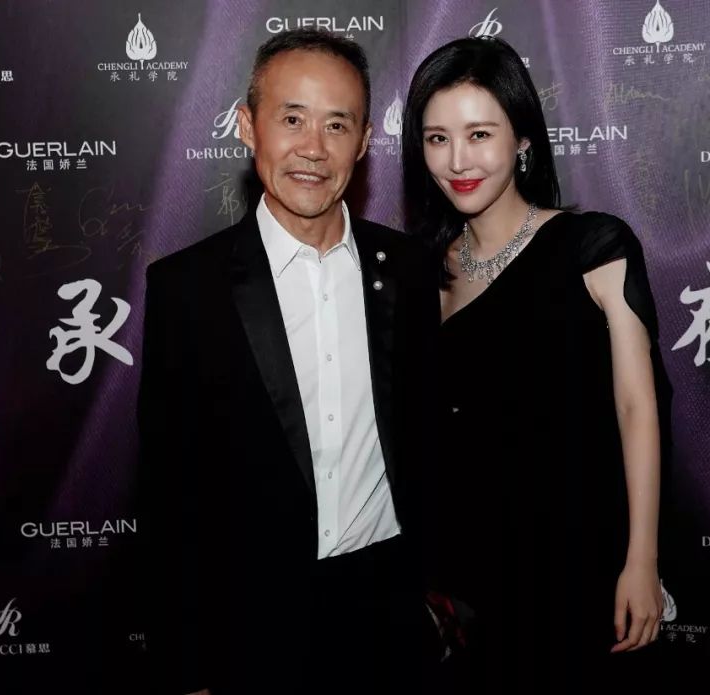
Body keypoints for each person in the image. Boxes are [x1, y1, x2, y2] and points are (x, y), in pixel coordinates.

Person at [137, 29, 441, 695]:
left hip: (389, 617)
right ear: (248, 126)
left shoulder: (410, 270)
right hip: (253, 624)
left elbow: (428, 437)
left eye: (337, 124)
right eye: (292, 118)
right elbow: (167, 488)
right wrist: (188, 665)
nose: (314, 148)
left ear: (365, 141)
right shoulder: (188, 287)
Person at [402, 37, 674, 692]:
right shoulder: (420, 273)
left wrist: (642, 559)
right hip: (464, 578)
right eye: (437, 138)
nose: (458, 160)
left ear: (522, 139)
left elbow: (638, 408)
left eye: (479, 134)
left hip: (578, 557)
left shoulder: (594, 246)